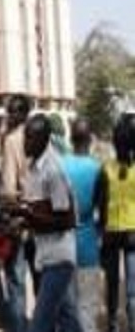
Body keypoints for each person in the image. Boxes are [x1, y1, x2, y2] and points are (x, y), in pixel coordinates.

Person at [15, 114, 82, 332]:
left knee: (40, 323)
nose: (25, 143)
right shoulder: (35, 167)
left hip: (59, 257)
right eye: (25, 137)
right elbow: (42, 212)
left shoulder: (53, 170)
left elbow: (65, 219)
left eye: (30, 138)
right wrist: (20, 221)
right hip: (46, 256)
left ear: (44, 140)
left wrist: (27, 215)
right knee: (68, 319)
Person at [61, 118, 101, 332]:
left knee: (67, 309)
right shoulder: (97, 169)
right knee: (87, 307)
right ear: (90, 139)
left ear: (71, 139)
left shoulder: (60, 166)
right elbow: (102, 210)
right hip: (88, 247)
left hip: (63, 246)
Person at [99, 113, 135, 332]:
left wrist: (101, 230)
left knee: (112, 284)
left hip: (111, 234)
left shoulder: (106, 169)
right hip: (133, 234)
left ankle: (112, 324)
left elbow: (101, 204)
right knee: (133, 288)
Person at [1, 94, 33, 332]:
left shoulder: (12, 140)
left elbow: (8, 189)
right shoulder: (44, 137)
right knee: (42, 279)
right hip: (44, 219)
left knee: (16, 280)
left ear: (22, 114)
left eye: (12, 111)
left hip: (20, 219)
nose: (8, 116)